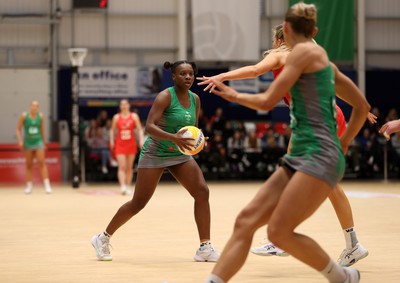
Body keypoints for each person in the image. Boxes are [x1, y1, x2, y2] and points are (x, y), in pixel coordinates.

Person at [203, 3, 370, 283]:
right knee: (246, 221)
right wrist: (345, 143)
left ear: (287, 29)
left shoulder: (297, 53)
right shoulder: (323, 61)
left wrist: (232, 95)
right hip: (308, 151)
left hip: (317, 153)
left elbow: (267, 99)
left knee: (278, 231)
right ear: (314, 31)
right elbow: (362, 107)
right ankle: (346, 266)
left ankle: (341, 275)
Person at [91, 60, 219, 262]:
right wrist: (174, 138)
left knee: (202, 191)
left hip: (179, 153)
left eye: (191, 74)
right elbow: (149, 127)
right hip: (155, 152)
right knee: (138, 203)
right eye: (183, 74)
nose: (188, 77)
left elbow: (193, 129)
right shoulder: (165, 96)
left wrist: (199, 140)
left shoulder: (195, 99)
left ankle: (205, 247)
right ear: (174, 77)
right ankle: (102, 238)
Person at [16, 100, 52, 194]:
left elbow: (42, 129)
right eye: (33, 105)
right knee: (29, 165)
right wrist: (20, 141)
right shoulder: (24, 116)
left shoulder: (40, 116)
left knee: (41, 162)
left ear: (38, 108)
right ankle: (29, 186)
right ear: (30, 106)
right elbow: (18, 129)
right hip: (28, 143)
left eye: (36, 106)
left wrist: (44, 142)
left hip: (38, 141)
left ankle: (47, 185)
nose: (34, 107)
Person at [109, 99, 144, 195]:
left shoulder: (134, 116)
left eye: (125, 104)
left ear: (129, 105)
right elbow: (112, 130)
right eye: (122, 104)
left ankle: (128, 186)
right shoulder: (116, 117)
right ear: (120, 106)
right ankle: (122, 186)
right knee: (122, 166)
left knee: (129, 167)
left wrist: (141, 140)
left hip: (131, 143)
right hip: (120, 144)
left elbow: (140, 129)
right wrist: (112, 140)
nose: (124, 106)